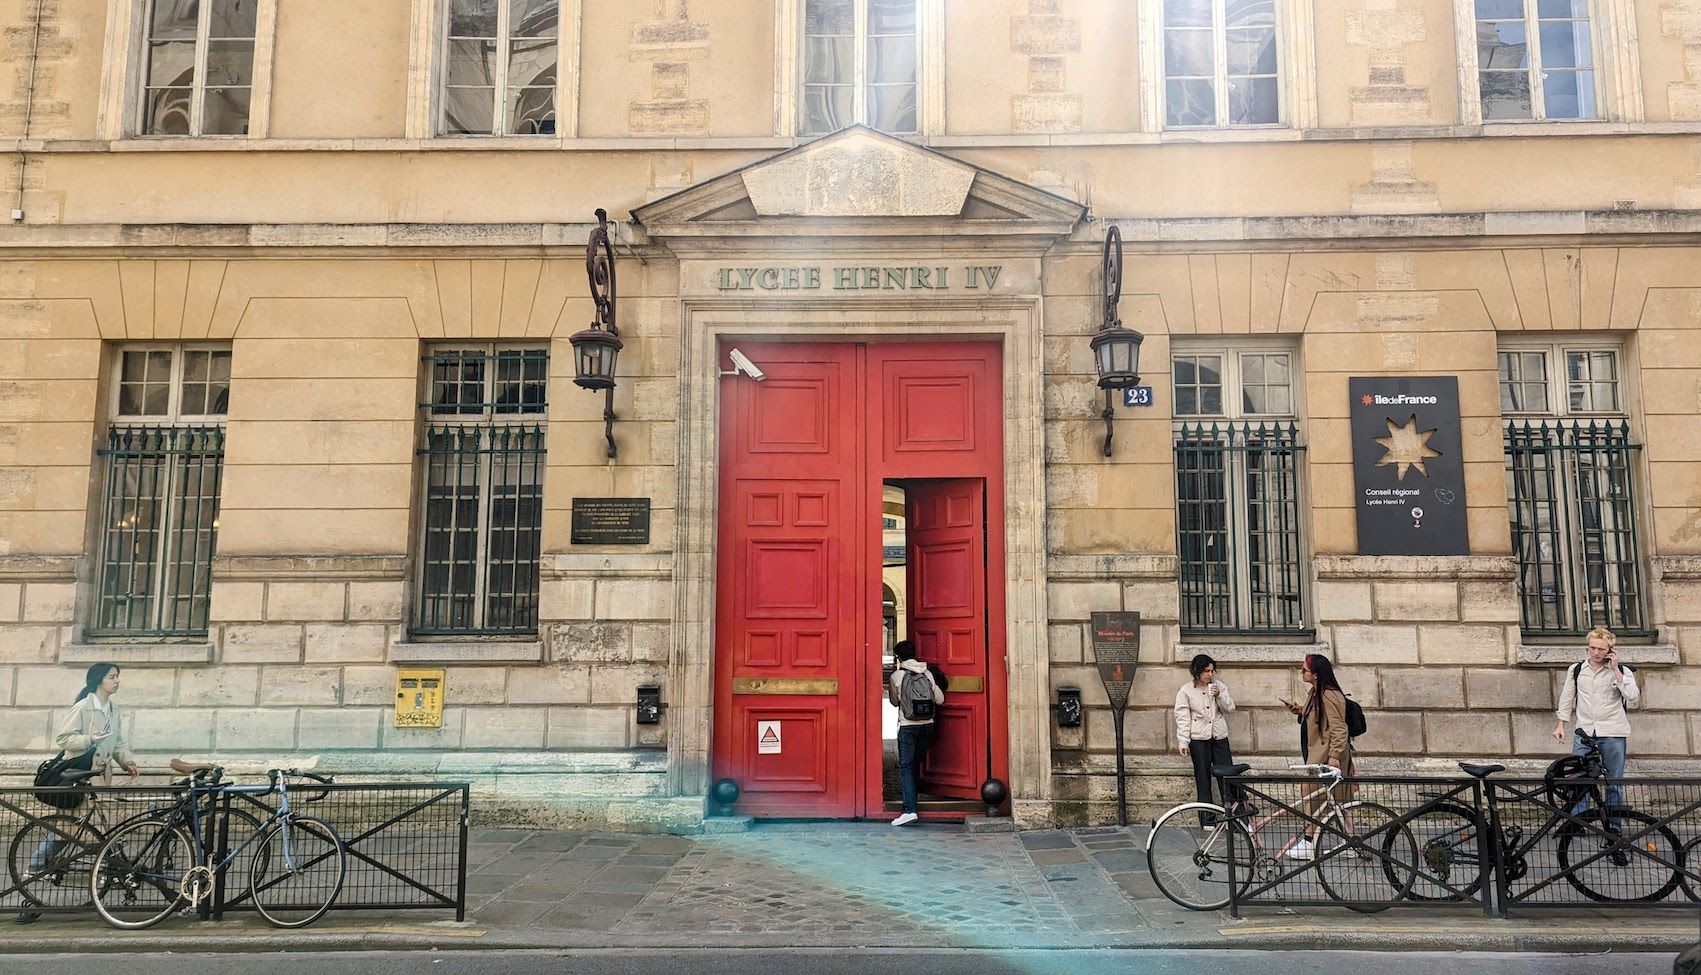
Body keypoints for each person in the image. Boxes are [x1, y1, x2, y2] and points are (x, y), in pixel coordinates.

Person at [1552, 626, 1638, 840]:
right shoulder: (1577, 670)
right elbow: (1567, 697)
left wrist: (1616, 669)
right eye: (1592, 648)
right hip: (1585, 732)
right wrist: (1561, 724)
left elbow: (1632, 695)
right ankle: (1578, 822)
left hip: (1612, 731)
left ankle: (1613, 825)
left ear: (1610, 649)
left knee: (1613, 780)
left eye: (1601, 649)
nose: (1596, 652)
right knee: (1579, 779)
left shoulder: (1622, 671)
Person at [1283, 652, 1351, 859]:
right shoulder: (1315, 692)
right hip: (1318, 752)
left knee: (1330, 796)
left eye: (1304, 669)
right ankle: (1348, 840)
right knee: (1336, 798)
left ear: (1316, 674)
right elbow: (1318, 717)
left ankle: (1310, 841)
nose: (1301, 672)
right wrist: (1301, 711)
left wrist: (1335, 756)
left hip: (1326, 754)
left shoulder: (1329, 695)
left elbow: (1339, 728)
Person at [1174, 653, 1241, 827]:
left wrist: (1219, 695)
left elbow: (1230, 708)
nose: (1210, 675)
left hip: (1219, 737)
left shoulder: (1218, 686)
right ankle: (1207, 820)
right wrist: (1183, 741)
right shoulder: (1186, 691)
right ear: (1197, 672)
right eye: (1206, 671)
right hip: (1198, 739)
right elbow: (1182, 717)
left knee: (1227, 777)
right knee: (1203, 780)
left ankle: (1234, 819)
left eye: (1212, 671)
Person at [52, 663, 140, 784]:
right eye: (112, 677)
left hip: (103, 772)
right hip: (81, 771)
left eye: (117, 677)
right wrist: (89, 739)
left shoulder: (114, 709)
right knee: (87, 803)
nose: (117, 681)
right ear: (98, 681)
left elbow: (118, 742)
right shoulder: (82, 707)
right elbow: (63, 739)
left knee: (101, 802)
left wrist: (127, 763)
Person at [888, 639, 944, 827]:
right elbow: (940, 699)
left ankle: (909, 809)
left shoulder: (897, 676)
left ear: (899, 657)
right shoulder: (927, 673)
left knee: (906, 767)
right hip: (927, 724)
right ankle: (916, 797)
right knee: (916, 764)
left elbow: (895, 703)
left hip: (908, 726)